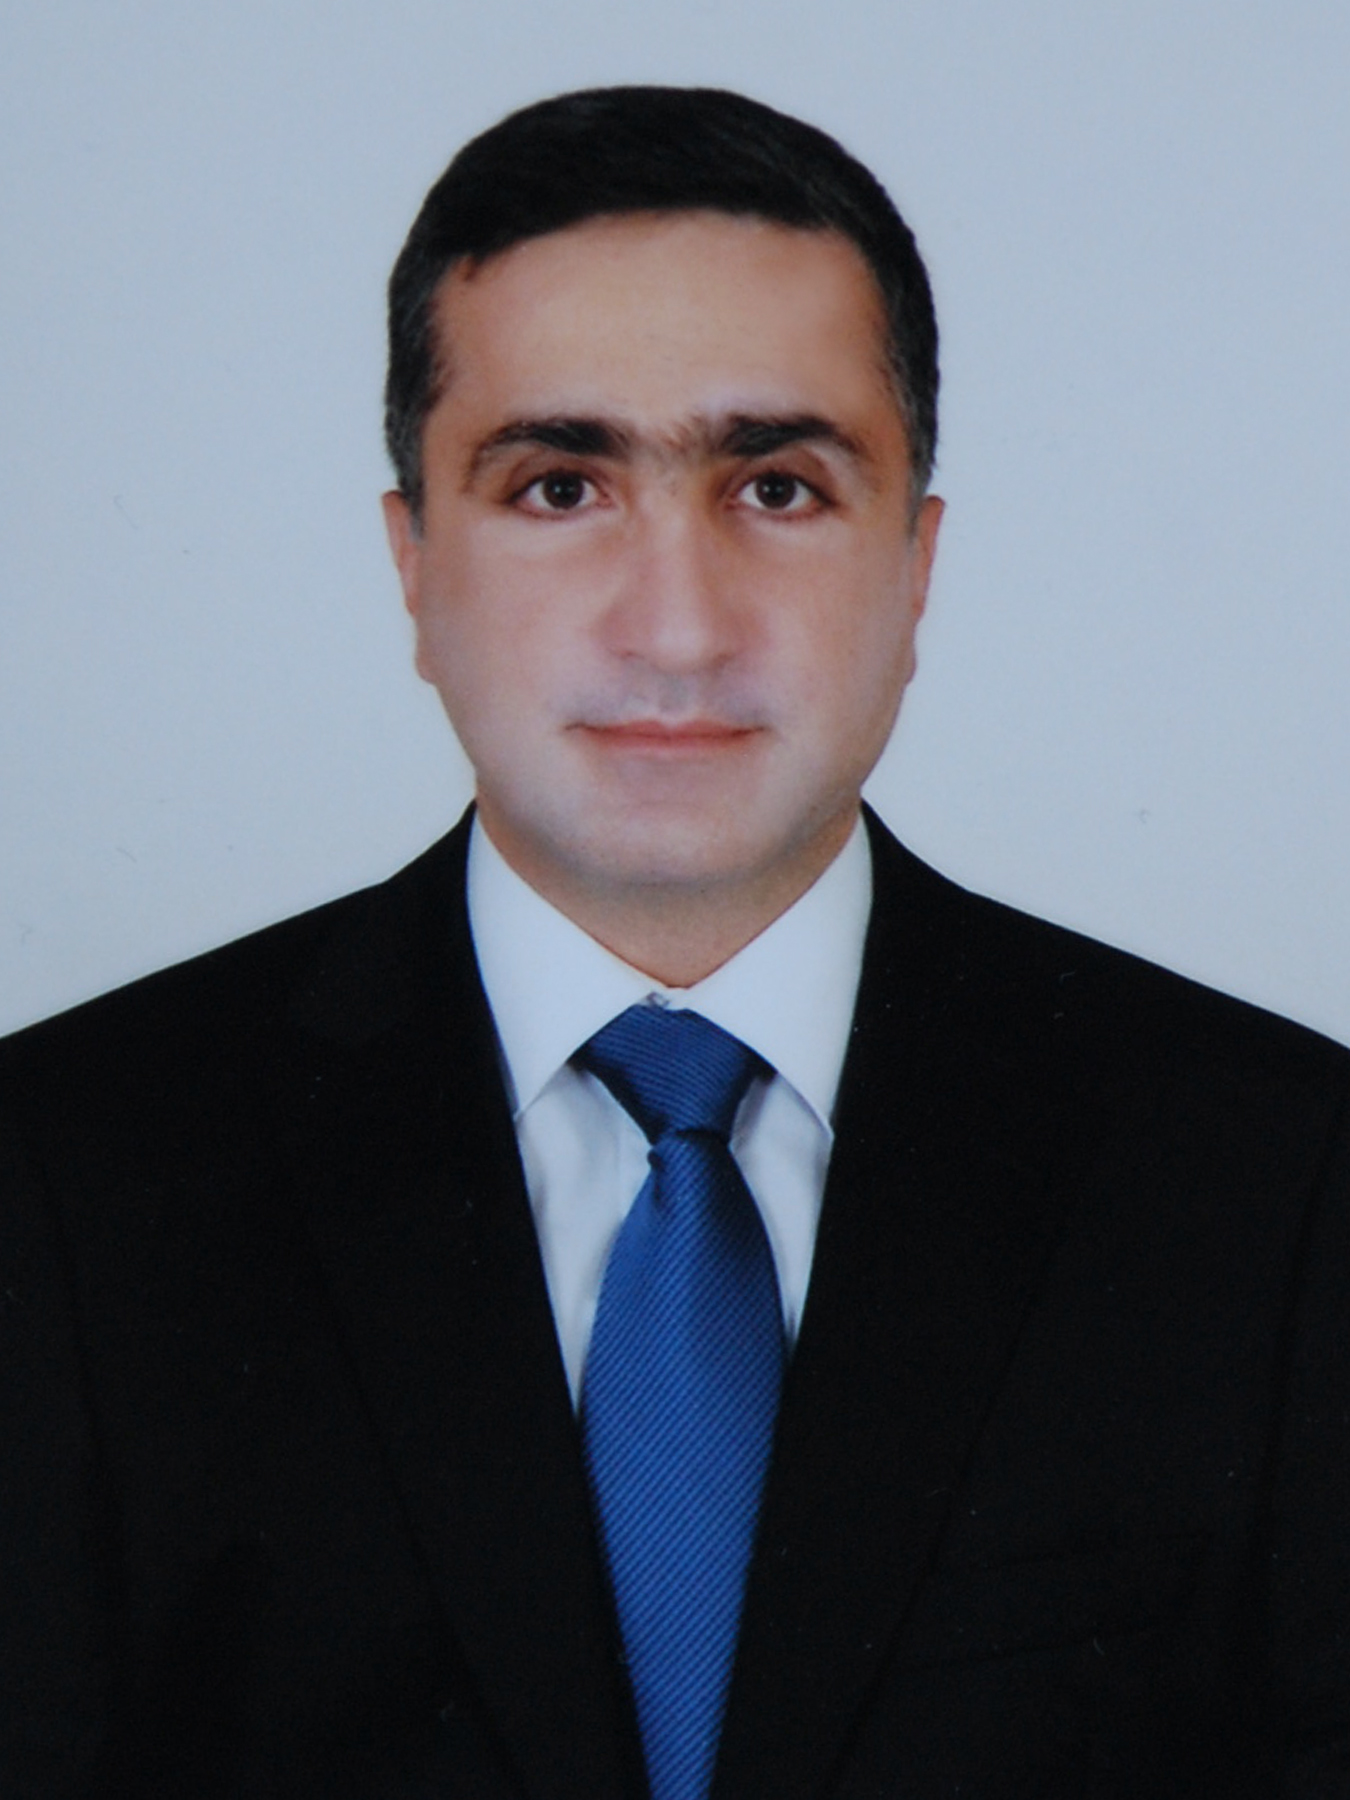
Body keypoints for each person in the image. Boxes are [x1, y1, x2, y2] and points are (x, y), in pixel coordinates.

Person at [1, 85, 1347, 1800]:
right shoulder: (58, 1175)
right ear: (412, 564)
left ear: (915, 564)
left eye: (775, 487)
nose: (678, 628)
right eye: (558, 486)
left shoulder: (1280, 1173)